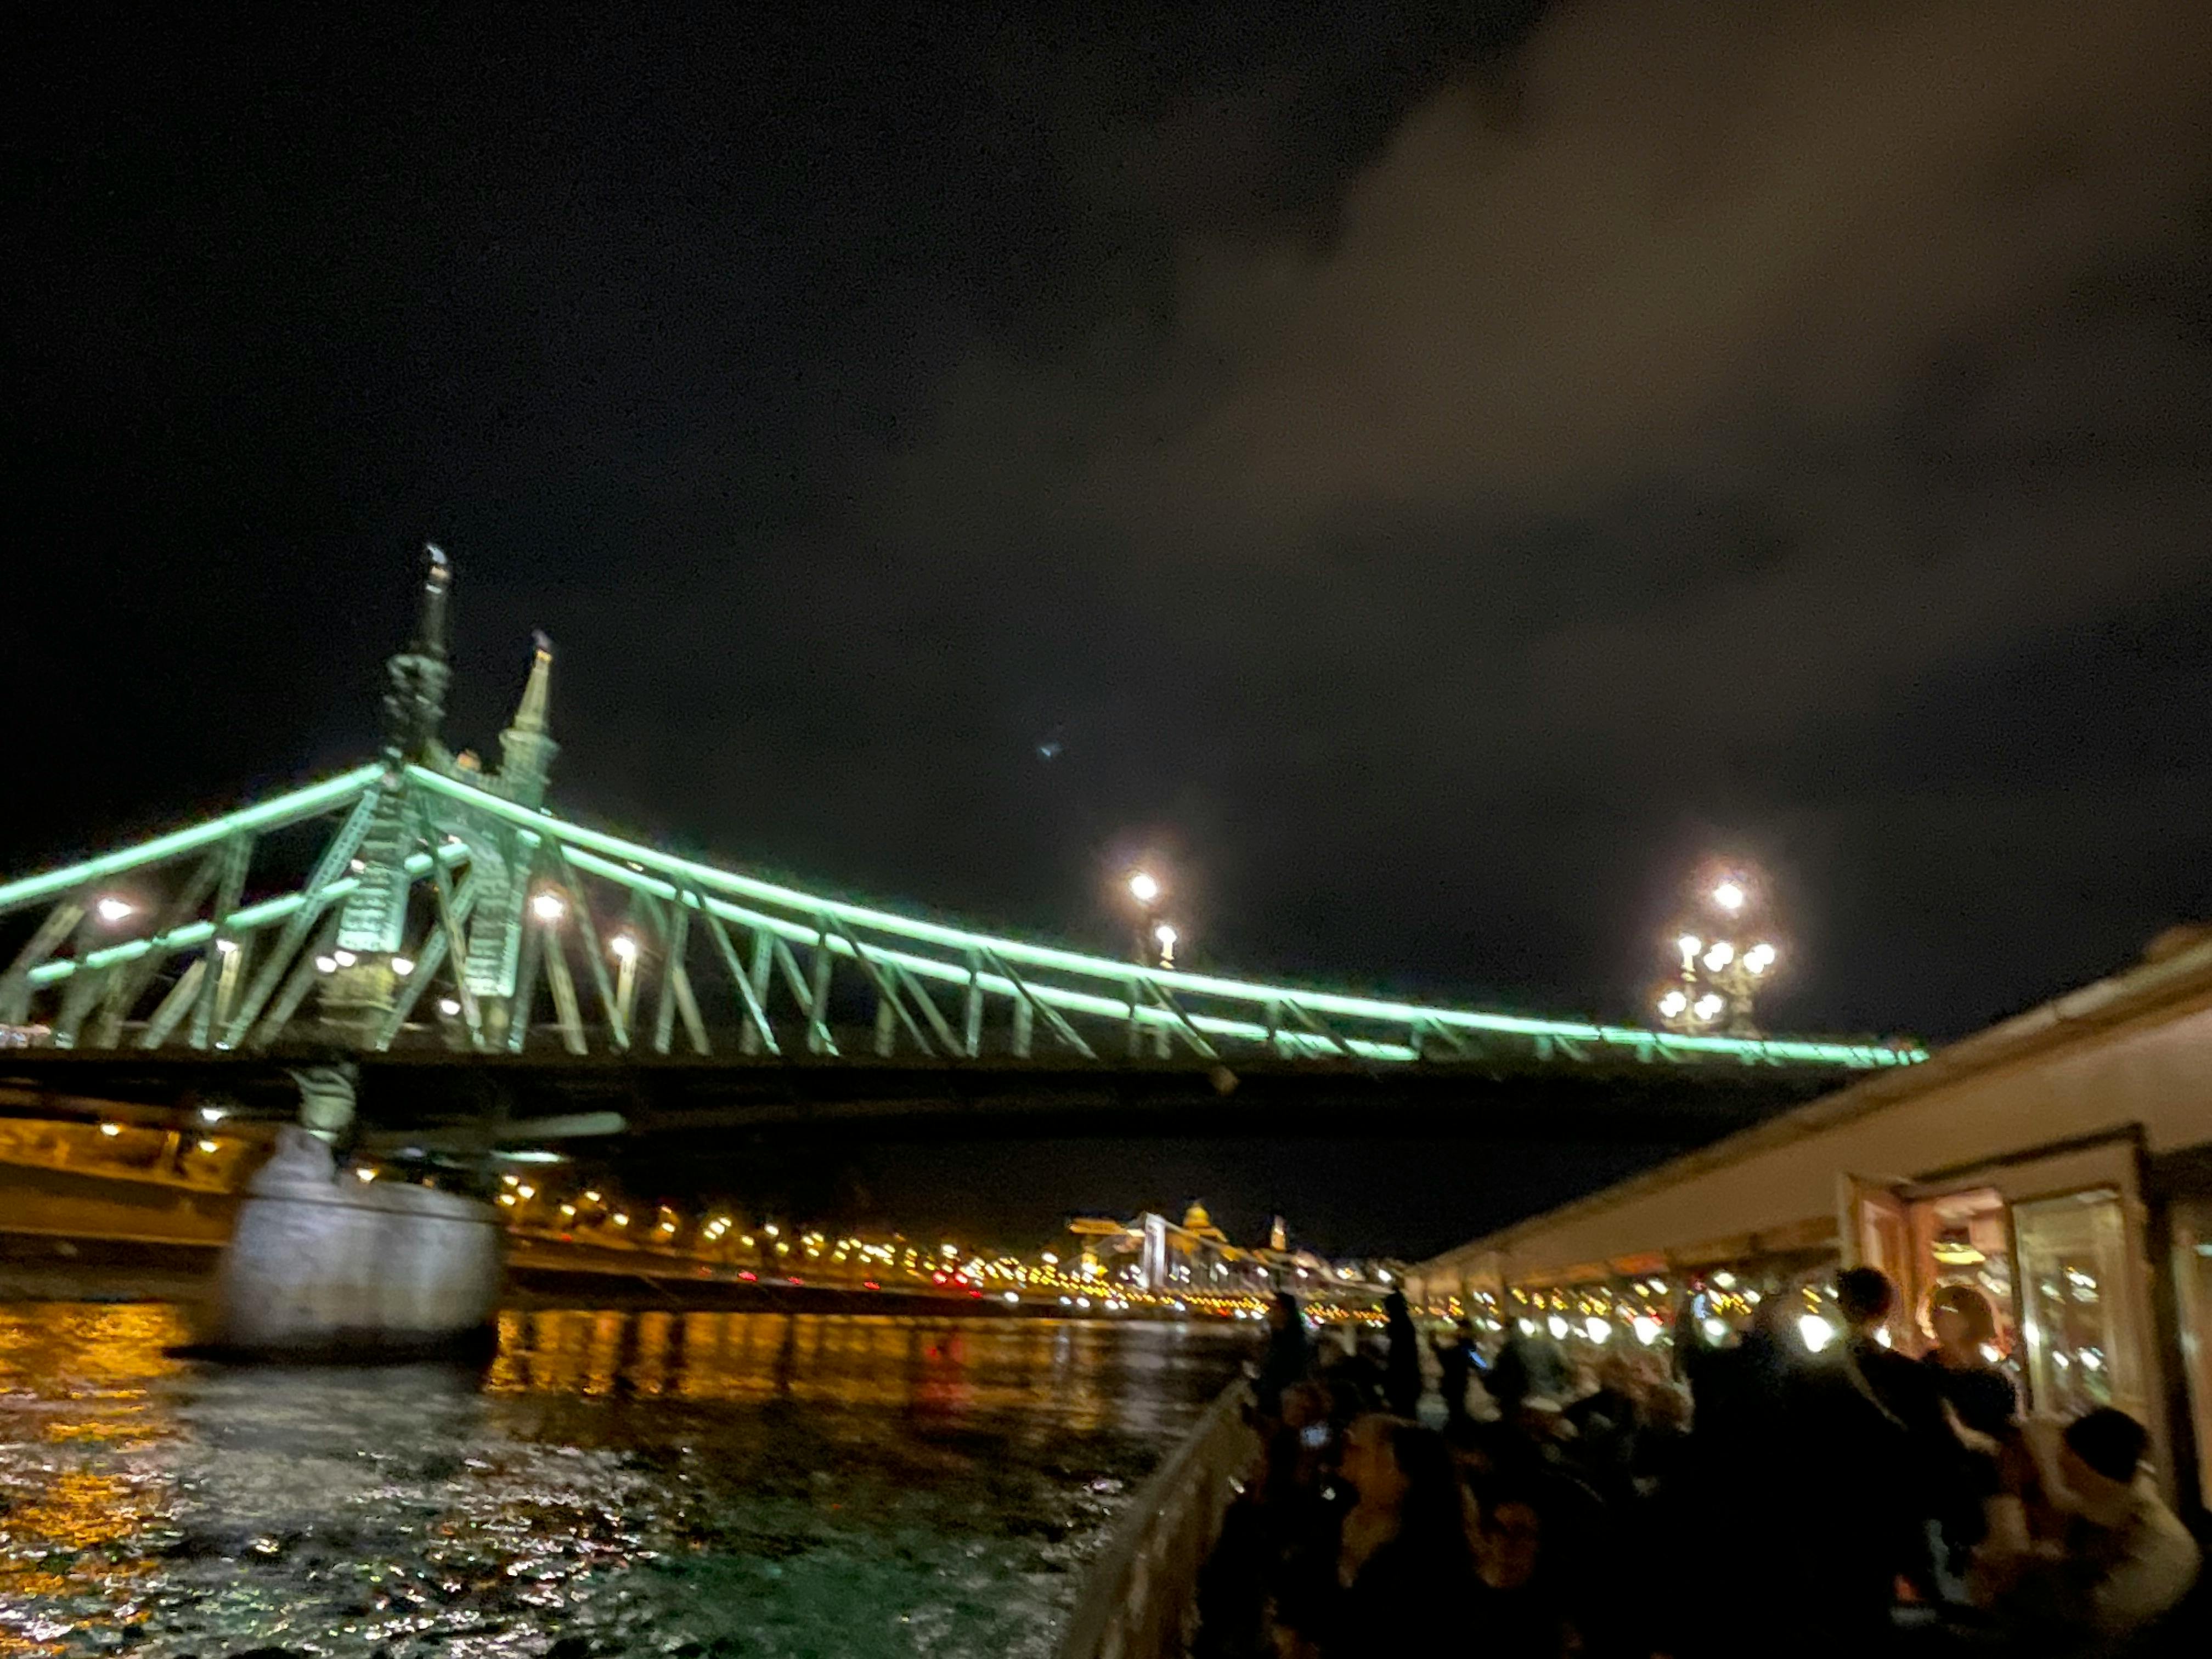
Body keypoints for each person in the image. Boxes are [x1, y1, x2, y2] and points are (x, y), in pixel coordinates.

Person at [1986, 1407, 2200, 1654]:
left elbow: (2097, 1622)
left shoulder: (2160, 1546)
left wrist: (2033, 1575)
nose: (2061, 1472)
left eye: (2065, 1462)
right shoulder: (2107, 1508)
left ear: (2083, 1467)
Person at [1274, 1414, 1476, 1658]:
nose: (1345, 1455)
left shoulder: (1430, 1561)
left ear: (1401, 1473)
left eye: (1357, 1449)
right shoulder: (1329, 1523)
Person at [1255, 1291, 1312, 1419]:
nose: (1270, 1313)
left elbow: (1283, 1376)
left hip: (1281, 1410)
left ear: (1285, 1313)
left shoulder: (1291, 1344)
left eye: (1275, 1308)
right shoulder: (1280, 1340)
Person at [1381, 1289, 1423, 1419]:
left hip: (1402, 1378)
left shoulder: (1399, 1325)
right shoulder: (1405, 1324)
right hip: (1407, 1377)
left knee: (1403, 1411)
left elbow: (1399, 1357)